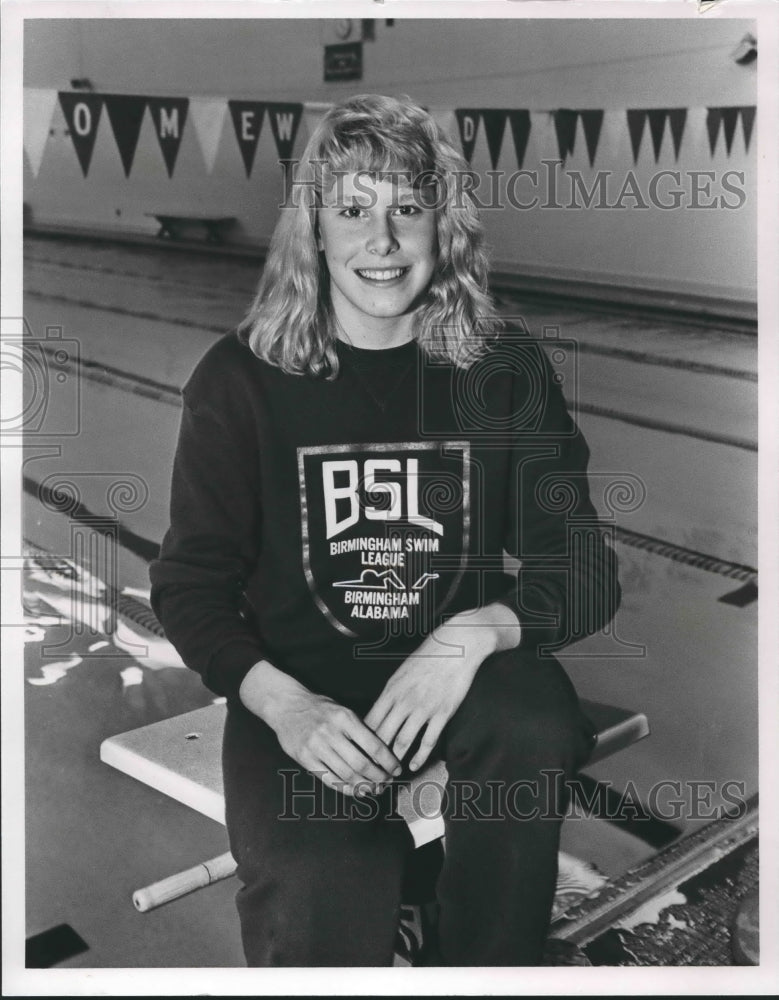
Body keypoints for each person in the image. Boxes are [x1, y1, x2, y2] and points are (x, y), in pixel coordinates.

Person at [149, 93, 620, 967]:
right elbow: (190, 584)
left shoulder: (502, 370)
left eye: (408, 208)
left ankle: (483, 961)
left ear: (445, 228)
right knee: (318, 877)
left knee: (534, 720)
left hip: (459, 680)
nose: (382, 240)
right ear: (314, 230)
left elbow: (583, 564)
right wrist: (283, 706)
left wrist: (470, 634)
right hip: (301, 687)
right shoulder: (239, 380)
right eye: (354, 210)